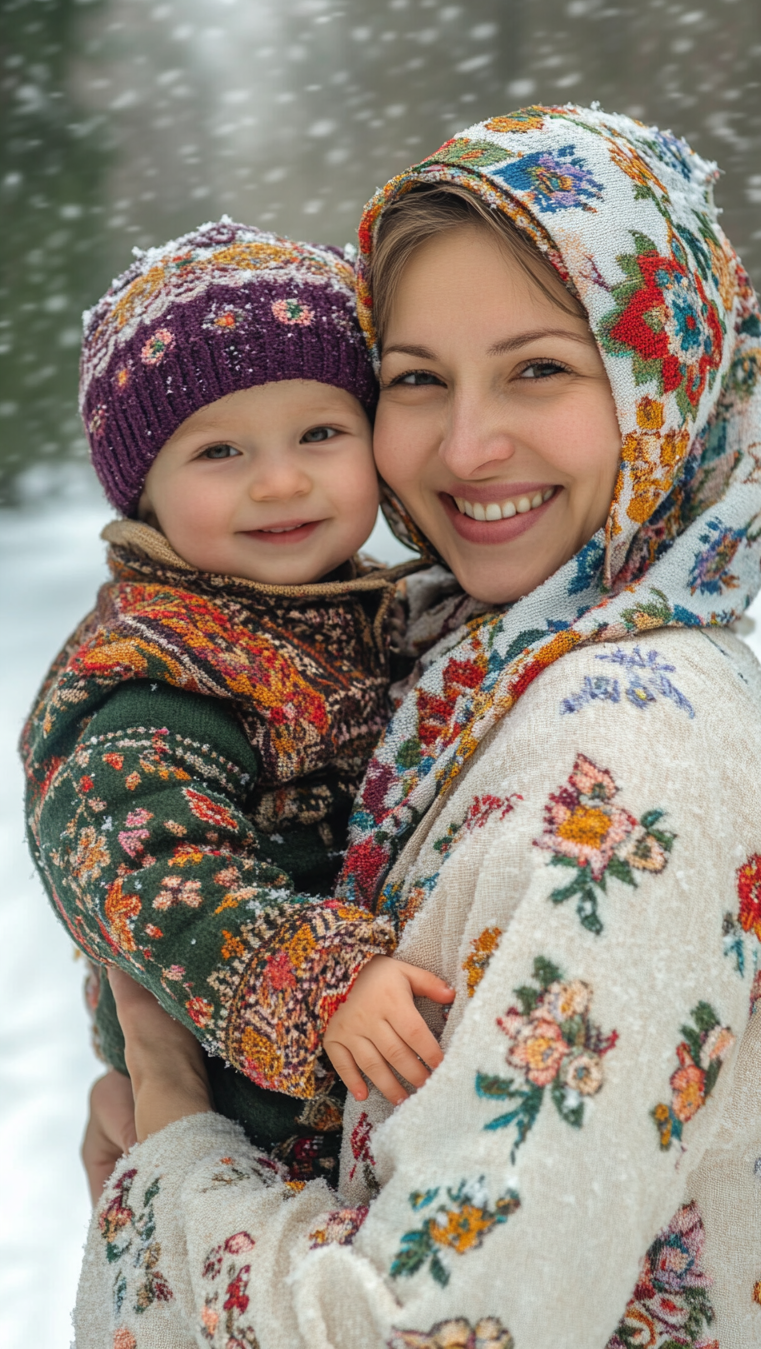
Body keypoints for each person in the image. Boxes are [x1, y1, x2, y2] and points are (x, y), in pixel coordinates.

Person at [75, 105, 761, 1349]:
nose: (467, 448)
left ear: (669, 379)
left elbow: (429, 1329)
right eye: (416, 380)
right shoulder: (448, 660)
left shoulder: (635, 762)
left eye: (540, 367)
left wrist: (172, 1155)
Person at [20, 221, 454, 1200]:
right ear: (146, 493)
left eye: (320, 432)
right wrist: (314, 977)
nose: (281, 479)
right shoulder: (156, 670)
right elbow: (145, 858)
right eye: (220, 449)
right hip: (250, 1137)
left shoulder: (359, 609)